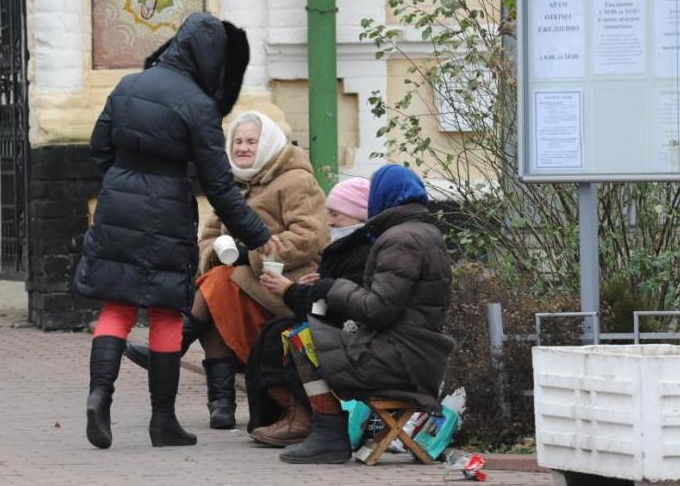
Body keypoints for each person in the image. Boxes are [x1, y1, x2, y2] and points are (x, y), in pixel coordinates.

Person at [73, 13, 278, 450]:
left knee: (118, 306)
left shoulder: (129, 85)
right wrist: (257, 234)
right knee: (166, 313)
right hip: (165, 212)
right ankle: (163, 421)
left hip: (116, 205)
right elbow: (219, 186)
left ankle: (99, 394)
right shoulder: (199, 106)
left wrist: (121, 183)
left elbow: (98, 147)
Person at [124, 110, 330, 430]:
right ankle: (220, 406)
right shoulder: (230, 184)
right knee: (217, 287)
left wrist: (254, 252)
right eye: (237, 141)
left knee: (216, 287)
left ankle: (173, 354)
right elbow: (206, 238)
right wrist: (216, 252)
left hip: (284, 282)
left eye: (251, 142)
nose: (243, 148)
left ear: (268, 144)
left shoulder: (296, 181)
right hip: (240, 280)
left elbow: (310, 237)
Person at [265, 164, 455, 464]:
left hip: (400, 357)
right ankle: (327, 432)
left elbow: (377, 309)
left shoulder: (401, 240)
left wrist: (331, 288)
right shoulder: (421, 233)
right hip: (412, 350)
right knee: (303, 335)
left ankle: (329, 434)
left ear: (384, 197)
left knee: (303, 339)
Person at [251, 177, 372, 448]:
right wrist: (304, 289)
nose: (329, 221)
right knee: (274, 330)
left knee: (290, 334)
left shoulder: (361, 252)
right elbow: (323, 304)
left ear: (357, 215)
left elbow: (337, 305)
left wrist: (289, 291)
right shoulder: (342, 250)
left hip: (350, 334)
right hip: (337, 324)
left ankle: (303, 416)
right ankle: (289, 412)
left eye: (336, 214)